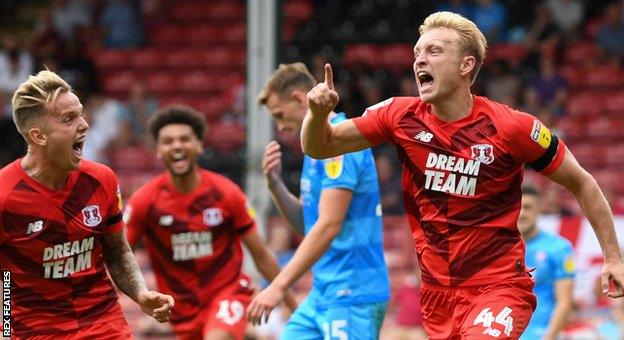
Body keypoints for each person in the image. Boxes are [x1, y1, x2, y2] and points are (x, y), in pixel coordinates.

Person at [301, 11, 624, 339]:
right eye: (417, 53)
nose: (420, 61)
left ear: (466, 65)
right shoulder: (399, 116)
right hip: (437, 294)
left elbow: (582, 182)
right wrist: (315, 115)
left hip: (498, 287)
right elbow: (320, 145)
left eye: (434, 51)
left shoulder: (511, 127)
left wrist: (613, 258)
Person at [0, 70, 173, 339]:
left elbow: (117, 252)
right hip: (33, 330)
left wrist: (140, 293)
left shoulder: (101, 179)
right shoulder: (4, 195)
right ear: (38, 136)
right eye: (68, 119)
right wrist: (7, 329)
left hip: (102, 323)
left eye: (80, 113)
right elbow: (4, 280)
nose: (84, 124)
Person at [123, 105, 296, 340]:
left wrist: (293, 305)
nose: (177, 146)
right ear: (158, 150)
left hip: (228, 292)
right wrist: (136, 294)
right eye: (168, 141)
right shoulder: (145, 201)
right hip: (180, 309)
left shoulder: (226, 193)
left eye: (184, 139)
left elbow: (261, 255)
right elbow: (120, 255)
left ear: (199, 145)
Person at [247, 63, 390, 339]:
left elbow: (328, 226)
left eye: (279, 115)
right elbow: (308, 224)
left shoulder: (342, 142)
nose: (280, 126)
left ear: (300, 98)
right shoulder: (314, 149)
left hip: (353, 292)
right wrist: (275, 185)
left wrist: (278, 286)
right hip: (323, 292)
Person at [518, 184, 575, 340]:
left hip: (540, 335)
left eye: (528, 207)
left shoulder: (559, 248)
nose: (522, 213)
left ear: (539, 210)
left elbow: (565, 301)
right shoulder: (499, 247)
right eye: (518, 207)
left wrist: (548, 337)